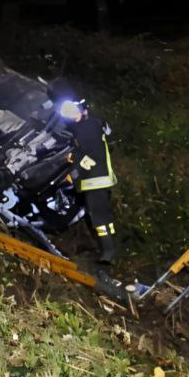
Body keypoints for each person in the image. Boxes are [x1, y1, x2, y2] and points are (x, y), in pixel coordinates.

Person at [58, 98, 119, 264]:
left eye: (73, 111)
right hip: (96, 180)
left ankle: (108, 252)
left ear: (83, 111)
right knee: (102, 217)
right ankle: (110, 249)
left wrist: (74, 170)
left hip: (96, 180)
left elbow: (92, 157)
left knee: (99, 218)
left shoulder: (88, 128)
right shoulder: (87, 126)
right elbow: (88, 151)